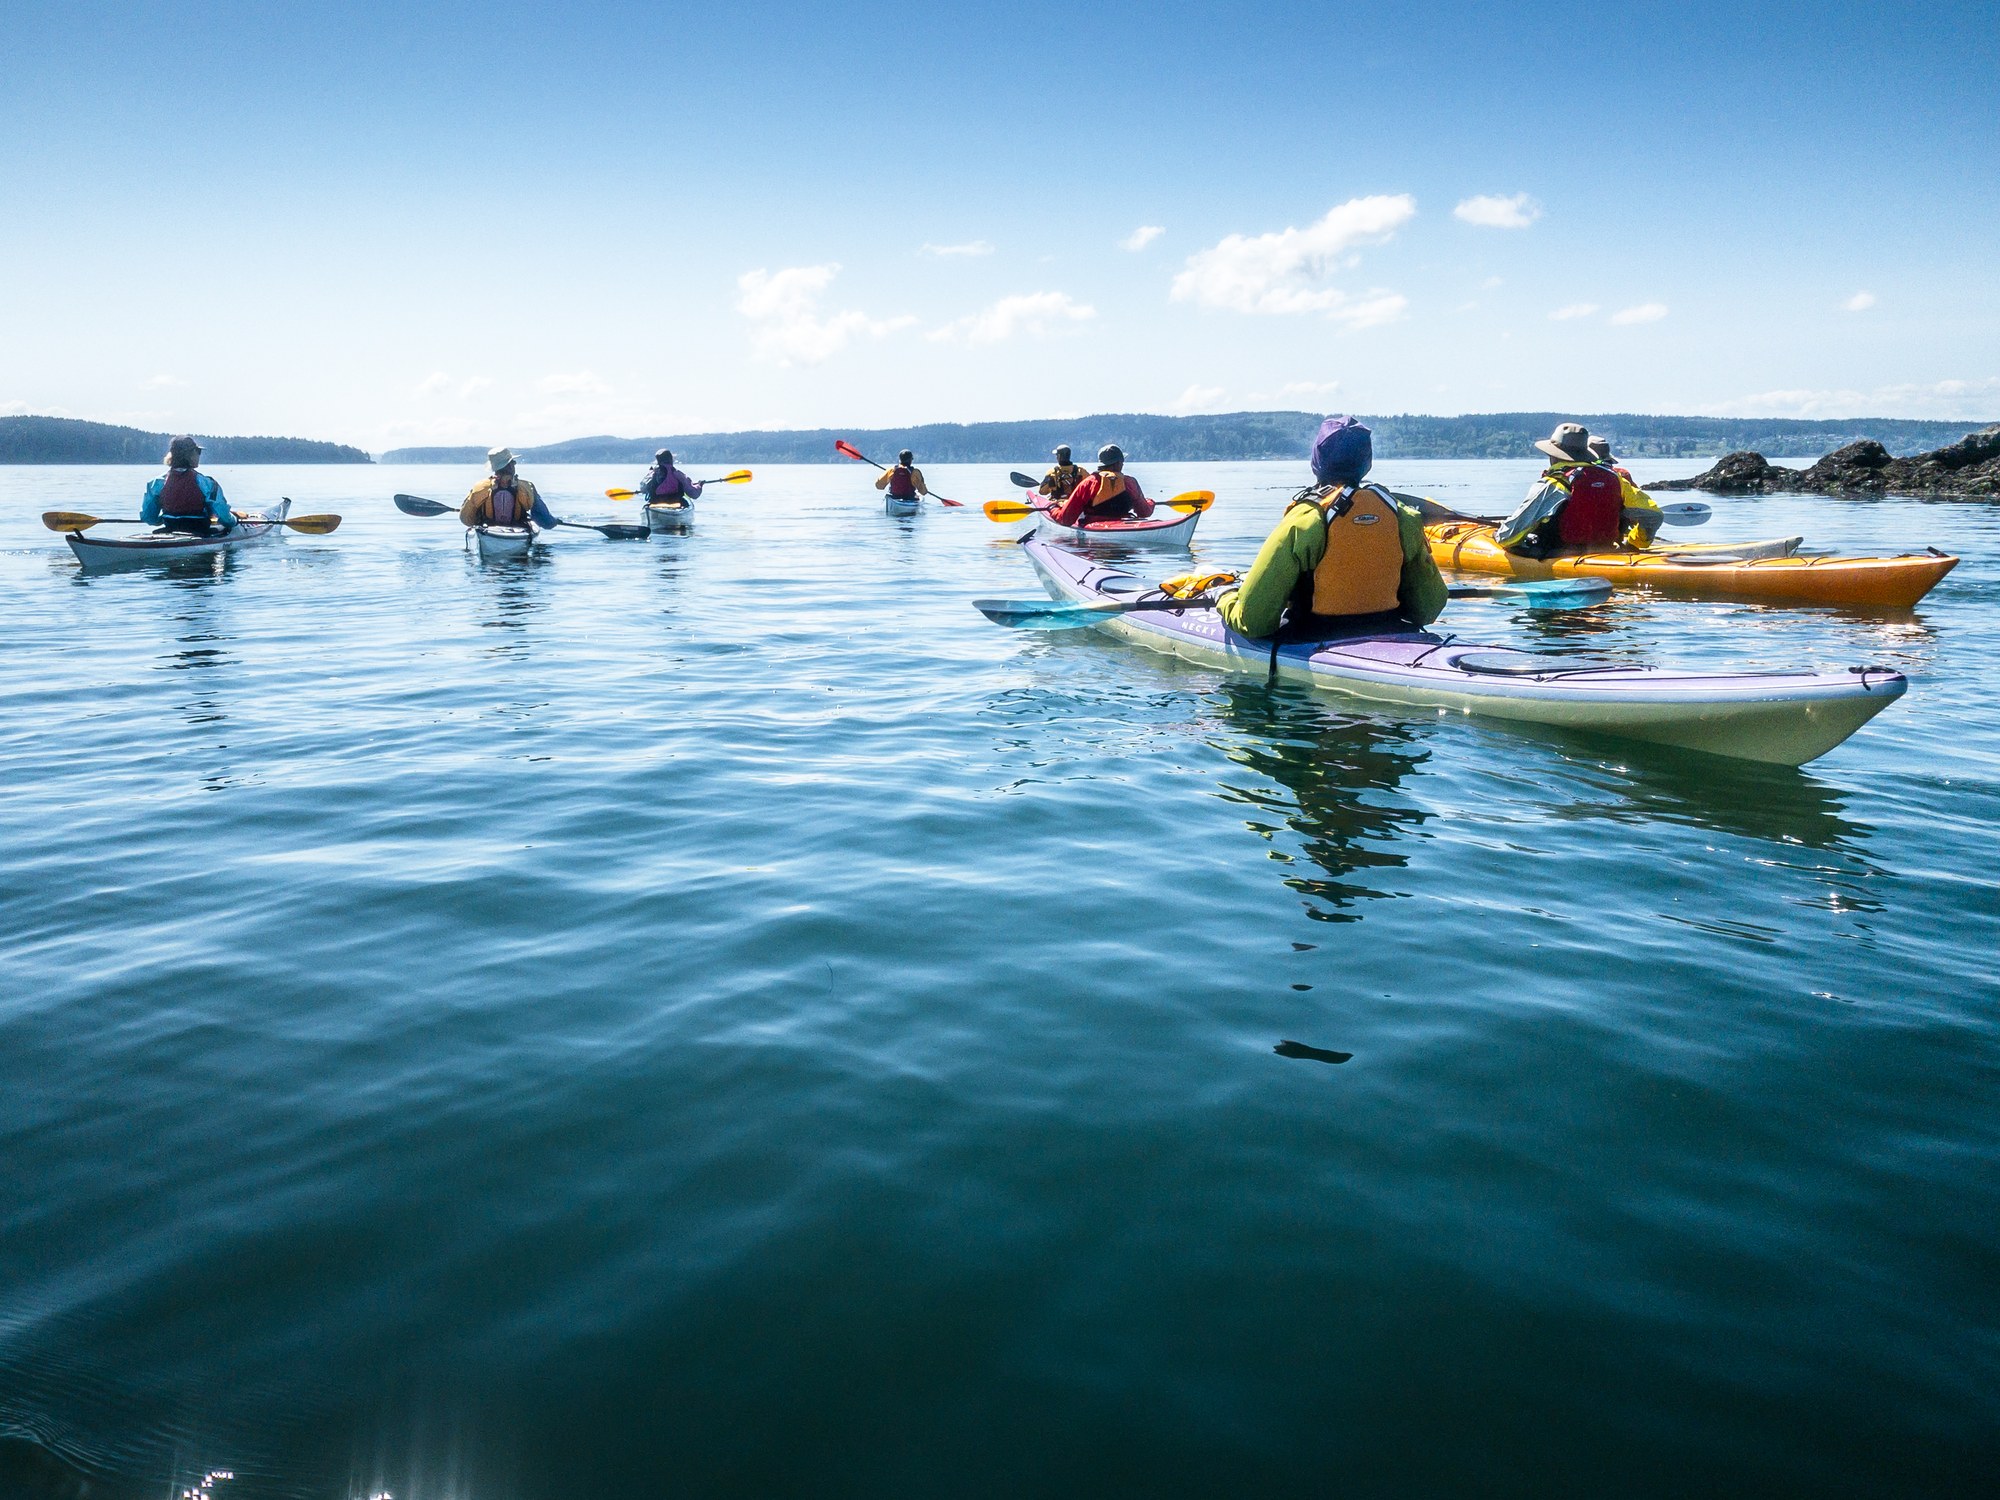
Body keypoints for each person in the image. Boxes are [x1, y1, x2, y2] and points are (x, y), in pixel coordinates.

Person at [1216, 416, 1446, 639]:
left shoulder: (1305, 519)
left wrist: (1224, 596)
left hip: (1314, 636)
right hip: (1390, 629)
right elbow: (1428, 608)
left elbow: (1253, 622)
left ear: (1317, 462)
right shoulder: (1403, 517)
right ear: (1367, 463)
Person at [1494, 423, 1659, 555]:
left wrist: (1498, 534)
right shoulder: (1615, 479)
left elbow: (1508, 538)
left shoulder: (1555, 483)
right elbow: (1654, 515)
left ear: (1553, 455)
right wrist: (1634, 543)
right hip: (1607, 551)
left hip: (1561, 556)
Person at [140, 436, 237, 535]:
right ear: (190, 455)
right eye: (198, 451)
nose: (199, 455)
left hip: (171, 528)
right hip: (199, 531)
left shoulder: (156, 483)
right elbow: (224, 518)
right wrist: (235, 520)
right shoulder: (207, 483)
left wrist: (162, 519)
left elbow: (149, 518)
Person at [1048, 444, 1153, 526]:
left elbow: (1066, 519)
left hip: (1094, 532)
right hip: (1125, 525)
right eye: (1122, 461)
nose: (1123, 464)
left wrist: (1052, 508)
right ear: (1117, 464)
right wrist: (1150, 502)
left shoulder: (1088, 483)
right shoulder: (1130, 482)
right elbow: (1144, 513)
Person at [461, 447, 559, 531]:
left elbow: (465, 518)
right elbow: (545, 521)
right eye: (513, 462)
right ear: (511, 465)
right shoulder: (527, 487)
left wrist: (478, 518)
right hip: (518, 530)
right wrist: (555, 521)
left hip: (488, 531)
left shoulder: (480, 487)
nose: (514, 465)